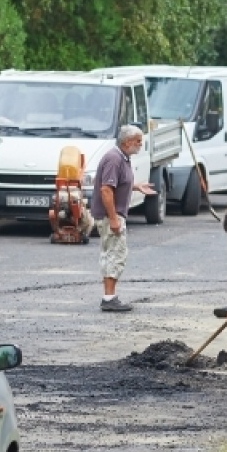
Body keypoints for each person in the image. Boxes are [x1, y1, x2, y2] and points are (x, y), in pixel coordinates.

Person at [91, 125, 155, 312]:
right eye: (138, 141)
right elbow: (106, 189)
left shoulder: (121, 157)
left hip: (113, 214)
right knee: (115, 254)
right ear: (127, 142)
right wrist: (113, 219)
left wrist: (135, 186)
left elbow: (118, 183)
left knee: (113, 252)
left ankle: (109, 296)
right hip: (112, 215)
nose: (140, 145)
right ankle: (109, 298)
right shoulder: (114, 159)